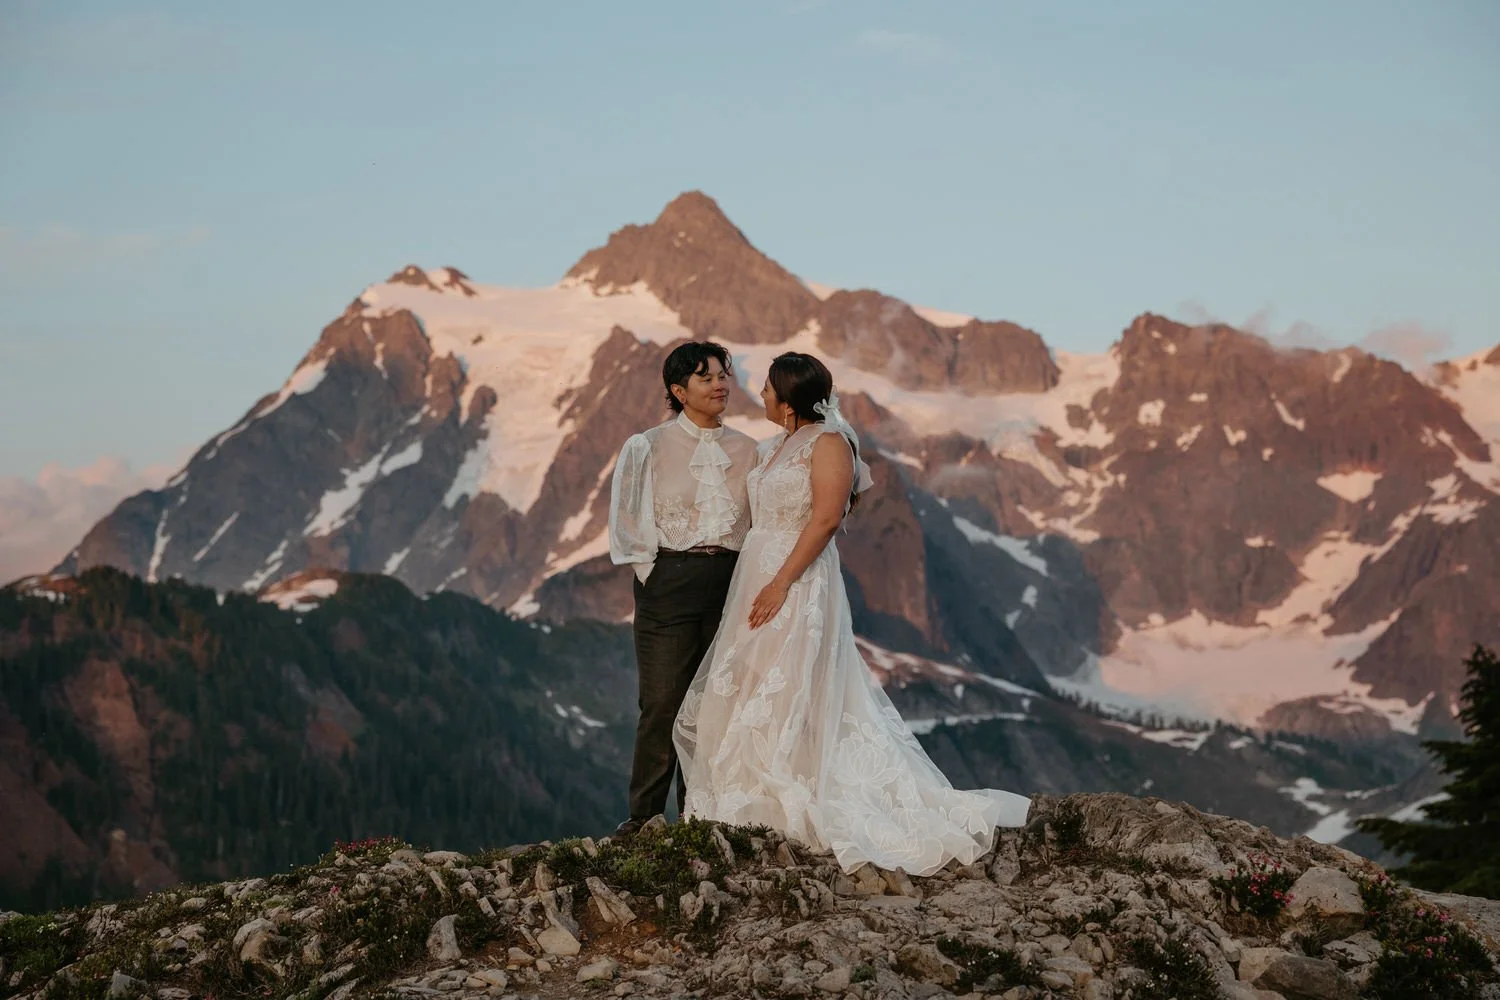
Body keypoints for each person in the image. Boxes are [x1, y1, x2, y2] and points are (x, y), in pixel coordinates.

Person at [673, 351, 1031, 875]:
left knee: (790, 679)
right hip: (757, 572)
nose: (763, 395)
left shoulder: (829, 443)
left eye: (770, 388)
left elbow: (825, 519)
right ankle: (755, 784)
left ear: (790, 400)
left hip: (793, 580)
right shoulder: (777, 446)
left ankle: (796, 786)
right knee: (754, 679)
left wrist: (780, 583)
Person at [606, 341, 759, 839]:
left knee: (715, 707)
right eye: (705, 377)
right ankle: (644, 817)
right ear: (678, 390)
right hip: (669, 583)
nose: (719, 384)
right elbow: (627, 522)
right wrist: (654, 577)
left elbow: (759, 523)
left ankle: (701, 817)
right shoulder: (646, 445)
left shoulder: (747, 449)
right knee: (662, 704)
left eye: (722, 375)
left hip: (731, 584)